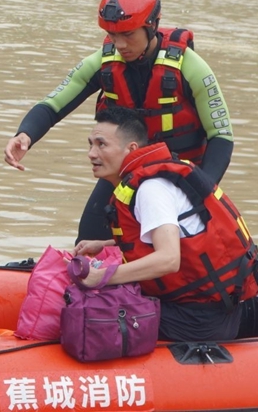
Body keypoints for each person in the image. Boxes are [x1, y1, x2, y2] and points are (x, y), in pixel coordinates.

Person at [3, 0, 234, 242]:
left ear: (152, 27)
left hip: (183, 178)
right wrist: (25, 135)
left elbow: (221, 136)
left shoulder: (191, 67)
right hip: (125, 175)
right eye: (113, 35)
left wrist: (200, 190)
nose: (120, 44)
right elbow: (54, 104)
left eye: (128, 34)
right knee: (88, 237)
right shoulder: (104, 61)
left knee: (168, 251)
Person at [74, 107, 257, 342]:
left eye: (101, 144)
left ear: (131, 149)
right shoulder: (150, 181)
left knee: (88, 316)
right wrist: (107, 244)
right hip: (213, 306)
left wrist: (102, 277)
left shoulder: (151, 189)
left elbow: (169, 259)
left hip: (198, 320)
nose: (91, 153)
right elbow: (174, 234)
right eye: (90, 144)